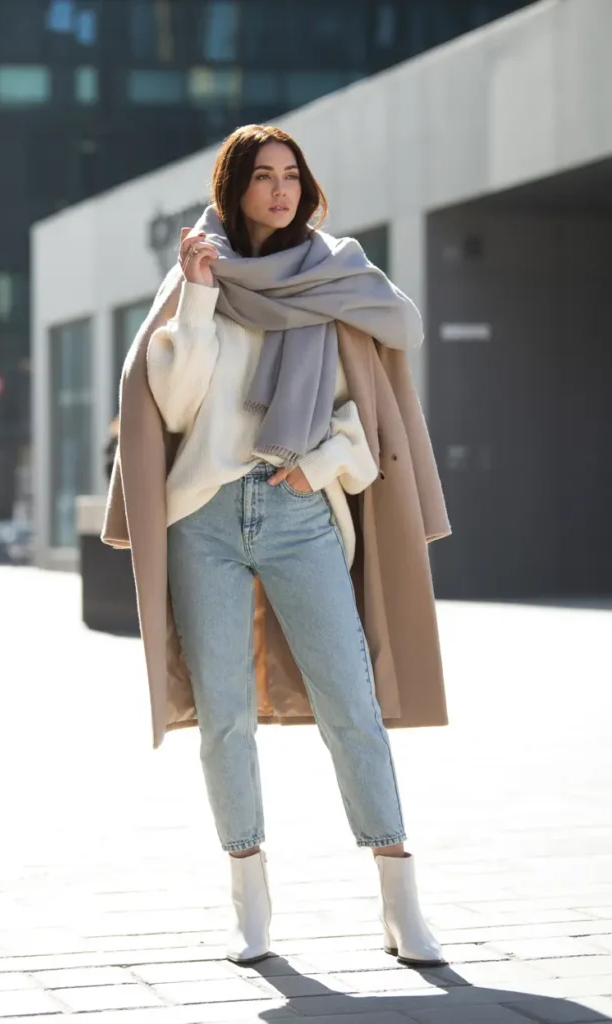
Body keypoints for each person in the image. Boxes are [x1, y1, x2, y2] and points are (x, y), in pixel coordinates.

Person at [103, 125, 451, 968]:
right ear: (234, 189)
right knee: (223, 719)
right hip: (206, 518)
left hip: (300, 514)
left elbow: (363, 407)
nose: (280, 189)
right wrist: (192, 298)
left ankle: (400, 896)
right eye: (262, 176)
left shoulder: (333, 274)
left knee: (352, 706)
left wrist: (320, 465)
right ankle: (249, 901)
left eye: (291, 174)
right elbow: (176, 406)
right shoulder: (200, 276)